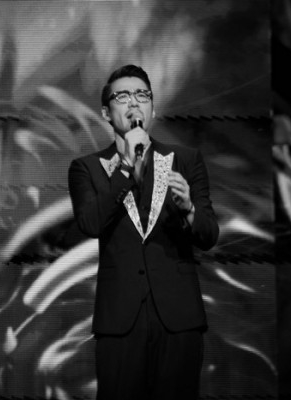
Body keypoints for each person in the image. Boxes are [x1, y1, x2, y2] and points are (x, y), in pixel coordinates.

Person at [68, 64, 219, 399]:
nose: (134, 103)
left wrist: (189, 210)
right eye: (122, 96)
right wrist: (126, 166)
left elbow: (209, 235)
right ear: (106, 113)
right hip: (120, 320)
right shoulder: (86, 168)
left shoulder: (186, 160)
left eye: (142, 95)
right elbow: (90, 223)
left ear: (153, 108)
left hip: (178, 318)